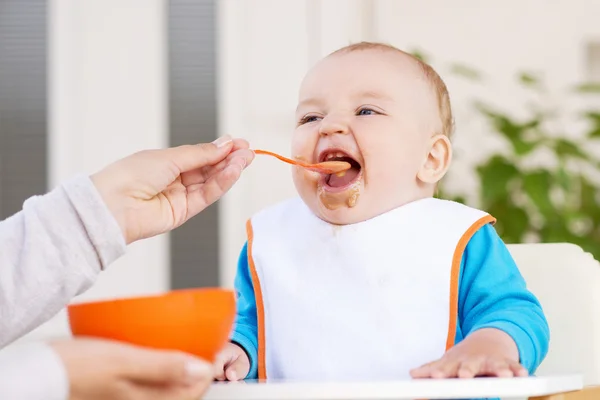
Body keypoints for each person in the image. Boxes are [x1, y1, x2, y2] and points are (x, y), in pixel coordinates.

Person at [214, 42, 550, 390]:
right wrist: (238, 350)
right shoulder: (273, 239)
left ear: (431, 160)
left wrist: (489, 347)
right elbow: (252, 322)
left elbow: (515, 313)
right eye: (310, 117)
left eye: (366, 111)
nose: (329, 126)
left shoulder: (455, 236)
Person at [0, 135, 255, 400]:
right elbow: (254, 319)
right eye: (303, 119)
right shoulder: (264, 244)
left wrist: (106, 210)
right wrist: (243, 345)